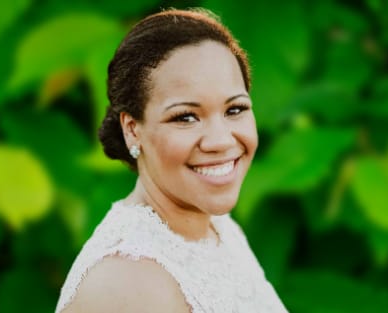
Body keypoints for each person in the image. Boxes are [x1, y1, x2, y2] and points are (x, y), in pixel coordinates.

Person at [55, 8, 287, 313]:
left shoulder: (220, 229)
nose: (220, 140)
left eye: (235, 110)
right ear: (132, 130)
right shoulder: (127, 285)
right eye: (186, 117)